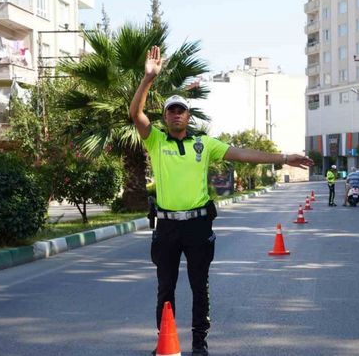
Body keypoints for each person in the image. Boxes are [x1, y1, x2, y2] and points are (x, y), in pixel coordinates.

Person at [130, 46, 313, 356]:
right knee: (166, 288)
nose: (176, 114)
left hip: (199, 225)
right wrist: (148, 78)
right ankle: (166, 340)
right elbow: (135, 114)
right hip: (167, 227)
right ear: (165, 117)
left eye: (181, 110)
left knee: (199, 286)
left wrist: (284, 157)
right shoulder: (157, 141)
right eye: (171, 110)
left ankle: (200, 343)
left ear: (188, 116)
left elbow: (244, 154)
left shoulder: (205, 143)